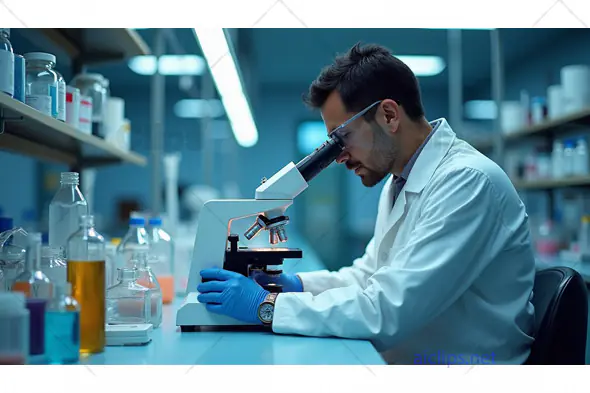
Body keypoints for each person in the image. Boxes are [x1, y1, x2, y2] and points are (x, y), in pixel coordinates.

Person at [197, 42, 536, 365]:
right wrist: (298, 286)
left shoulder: (467, 182)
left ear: (389, 115)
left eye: (341, 138)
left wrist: (267, 306)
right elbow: (369, 277)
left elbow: (388, 310)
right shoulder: (400, 182)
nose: (339, 156)